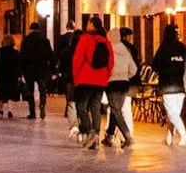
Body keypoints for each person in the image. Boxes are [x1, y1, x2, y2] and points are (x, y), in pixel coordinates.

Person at [70, 16, 113, 148]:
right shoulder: (106, 42)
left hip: (85, 79)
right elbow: (111, 62)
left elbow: (77, 60)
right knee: (95, 108)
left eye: (88, 23)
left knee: (81, 106)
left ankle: (90, 132)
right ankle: (96, 135)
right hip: (100, 81)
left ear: (92, 26)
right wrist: (105, 76)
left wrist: (76, 78)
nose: (86, 25)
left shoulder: (85, 39)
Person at [151, 23, 186, 145]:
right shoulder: (182, 48)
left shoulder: (163, 49)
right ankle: (169, 138)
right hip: (180, 86)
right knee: (174, 114)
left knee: (172, 113)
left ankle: (184, 135)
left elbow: (154, 66)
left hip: (167, 85)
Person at [102, 25, 141, 148]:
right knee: (116, 109)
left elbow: (105, 66)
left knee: (116, 110)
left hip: (112, 83)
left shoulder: (108, 49)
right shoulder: (125, 50)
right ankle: (109, 136)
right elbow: (134, 69)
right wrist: (125, 76)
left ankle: (127, 136)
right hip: (124, 83)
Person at [20, 21, 54, 119]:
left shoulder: (26, 40)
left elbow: (22, 57)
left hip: (29, 69)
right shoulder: (45, 40)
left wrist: (20, 72)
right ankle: (42, 104)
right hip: (42, 69)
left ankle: (32, 112)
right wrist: (53, 69)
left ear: (30, 29)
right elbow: (50, 55)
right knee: (42, 89)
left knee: (30, 90)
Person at [53, 22, 81, 122]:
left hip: (68, 73)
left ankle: (69, 107)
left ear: (66, 27)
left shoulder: (61, 39)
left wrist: (57, 69)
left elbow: (58, 54)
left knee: (69, 91)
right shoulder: (80, 45)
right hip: (79, 74)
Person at [0, 35, 23, 119]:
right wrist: (19, 75)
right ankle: (10, 109)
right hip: (12, 75)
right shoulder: (16, 53)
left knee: (0, 93)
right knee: (10, 93)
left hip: (1, 75)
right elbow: (18, 65)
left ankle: (0, 109)